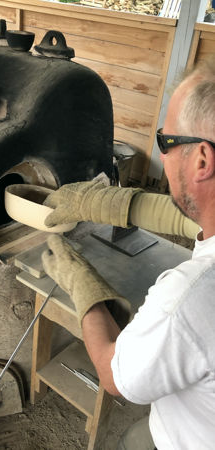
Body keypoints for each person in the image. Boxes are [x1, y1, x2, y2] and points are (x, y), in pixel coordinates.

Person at [41, 56, 215, 450]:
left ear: (202, 159)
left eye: (166, 142)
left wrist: (82, 287)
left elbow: (114, 375)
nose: (164, 154)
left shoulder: (190, 298)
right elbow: (194, 218)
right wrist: (110, 204)